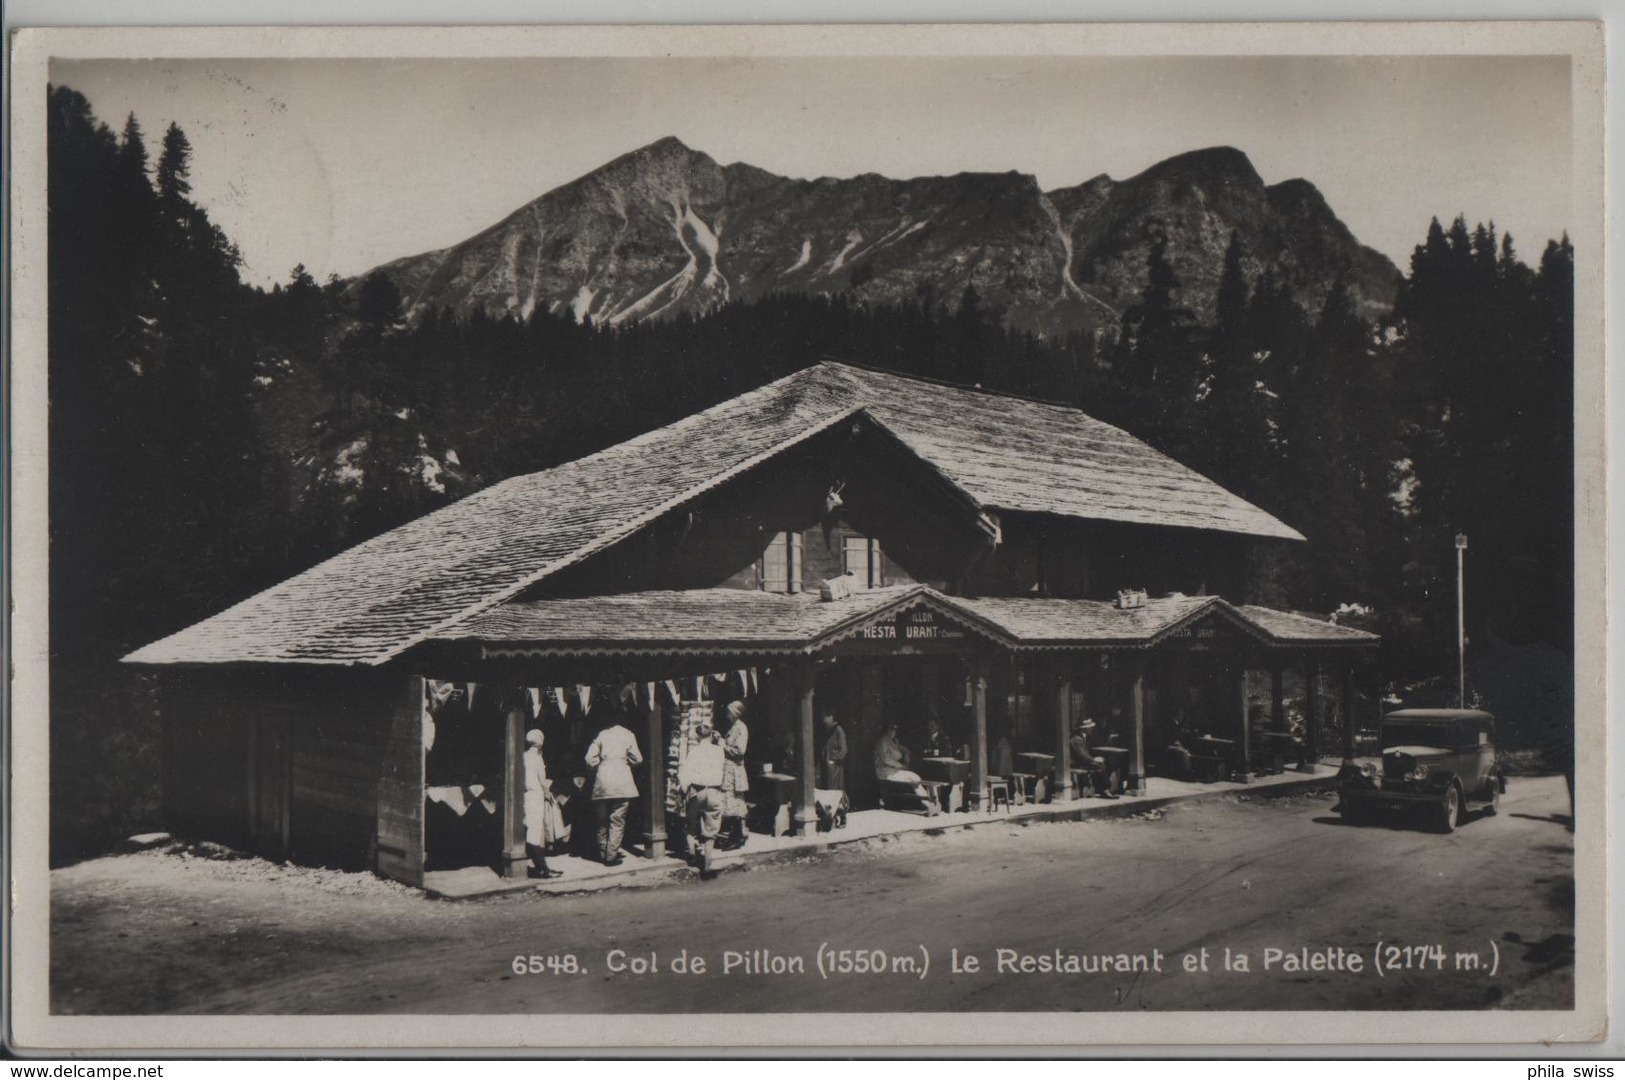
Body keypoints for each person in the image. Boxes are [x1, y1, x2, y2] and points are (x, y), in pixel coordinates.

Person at [584, 712, 643, 866]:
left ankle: (603, 852)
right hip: (622, 781)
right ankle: (611, 855)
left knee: (601, 820)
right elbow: (638, 759)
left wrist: (601, 762)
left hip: (603, 781)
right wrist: (625, 760)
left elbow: (589, 759)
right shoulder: (628, 734)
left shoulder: (601, 735)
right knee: (617, 820)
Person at [677, 720, 728, 876]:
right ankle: (707, 863)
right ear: (711, 734)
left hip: (697, 791)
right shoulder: (719, 751)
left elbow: (685, 774)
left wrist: (683, 791)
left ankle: (692, 855)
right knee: (711, 830)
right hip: (714, 791)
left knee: (690, 824)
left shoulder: (693, 752)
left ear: (697, 736)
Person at [522, 728, 563, 879]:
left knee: (530, 831)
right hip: (536, 796)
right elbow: (542, 781)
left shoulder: (523, 756)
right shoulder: (538, 759)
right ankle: (543, 870)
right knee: (535, 833)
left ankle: (542, 867)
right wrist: (547, 795)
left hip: (525, 796)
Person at [873, 721, 935, 812]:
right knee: (913, 777)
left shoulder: (894, 741)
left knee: (915, 777)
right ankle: (928, 803)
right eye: (890, 729)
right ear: (886, 730)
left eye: (894, 729)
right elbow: (886, 759)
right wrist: (901, 766)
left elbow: (901, 750)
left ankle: (927, 802)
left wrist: (905, 752)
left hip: (894, 769)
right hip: (885, 771)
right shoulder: (883, 741)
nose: (892, 732)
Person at [719, 700, 751, 850]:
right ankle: (736, 835)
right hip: (729, 770)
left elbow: (739, 751)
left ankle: (736, 837)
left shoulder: (741, 728)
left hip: (735, 771)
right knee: (731, 802)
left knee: (734, 803)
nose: (727, 714)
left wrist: (723, 745)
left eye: (729, 711)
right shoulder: (733, 727)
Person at [1071, 717, 1119, 798]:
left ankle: (1105, 787)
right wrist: (1094, 759)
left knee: (1108, 761)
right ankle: (1105, 790)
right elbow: (1082, 756)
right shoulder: (1077, 739)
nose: (1091, 729)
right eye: (1089, 727)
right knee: (1098, 765)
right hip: (1076, 762)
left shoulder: (1086, 737)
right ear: (1084, 729)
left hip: (1083, 760)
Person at [818, 710, 848, 792]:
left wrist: (833, 760)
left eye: (825, 716)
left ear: (831, 716)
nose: (823, 718)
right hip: (825, 766)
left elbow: (843, 750)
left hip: (834, 767)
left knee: (833, 790)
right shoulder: (827, 730)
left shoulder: (838, 730)